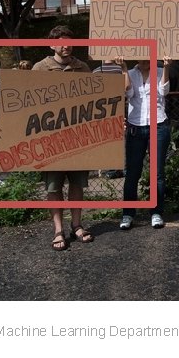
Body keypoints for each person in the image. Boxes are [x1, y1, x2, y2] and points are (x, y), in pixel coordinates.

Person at [32, 25, 94, 250]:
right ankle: (58, 230)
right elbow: (24, 103)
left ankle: (76, 225)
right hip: (51, 139)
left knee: (77, 184)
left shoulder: (83, 68)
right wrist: (9, 125)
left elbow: (96, 101)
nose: (65, 45)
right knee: (53, 186)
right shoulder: (40, 69)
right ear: (51, 44)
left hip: (78, 138)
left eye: (69, 41)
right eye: (60, 42)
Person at [119, 56, 172, 230]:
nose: (144, 60)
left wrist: (166, 67)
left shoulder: (159, 71)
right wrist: (124, 69)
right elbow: (128, 93)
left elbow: (164, 91)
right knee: (133, 171)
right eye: (141, 57)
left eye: (148, 56)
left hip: (158, 125)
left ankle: (156, 212)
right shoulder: (131, 72)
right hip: (136, 126)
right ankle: (128, 213)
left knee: (157, 173)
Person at [94, 60, 127, 180]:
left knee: (119, 139)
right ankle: (113, 168)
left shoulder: (120, 69)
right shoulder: (97, 71)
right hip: (104, 110)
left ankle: (116, 168)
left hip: (117, 108)